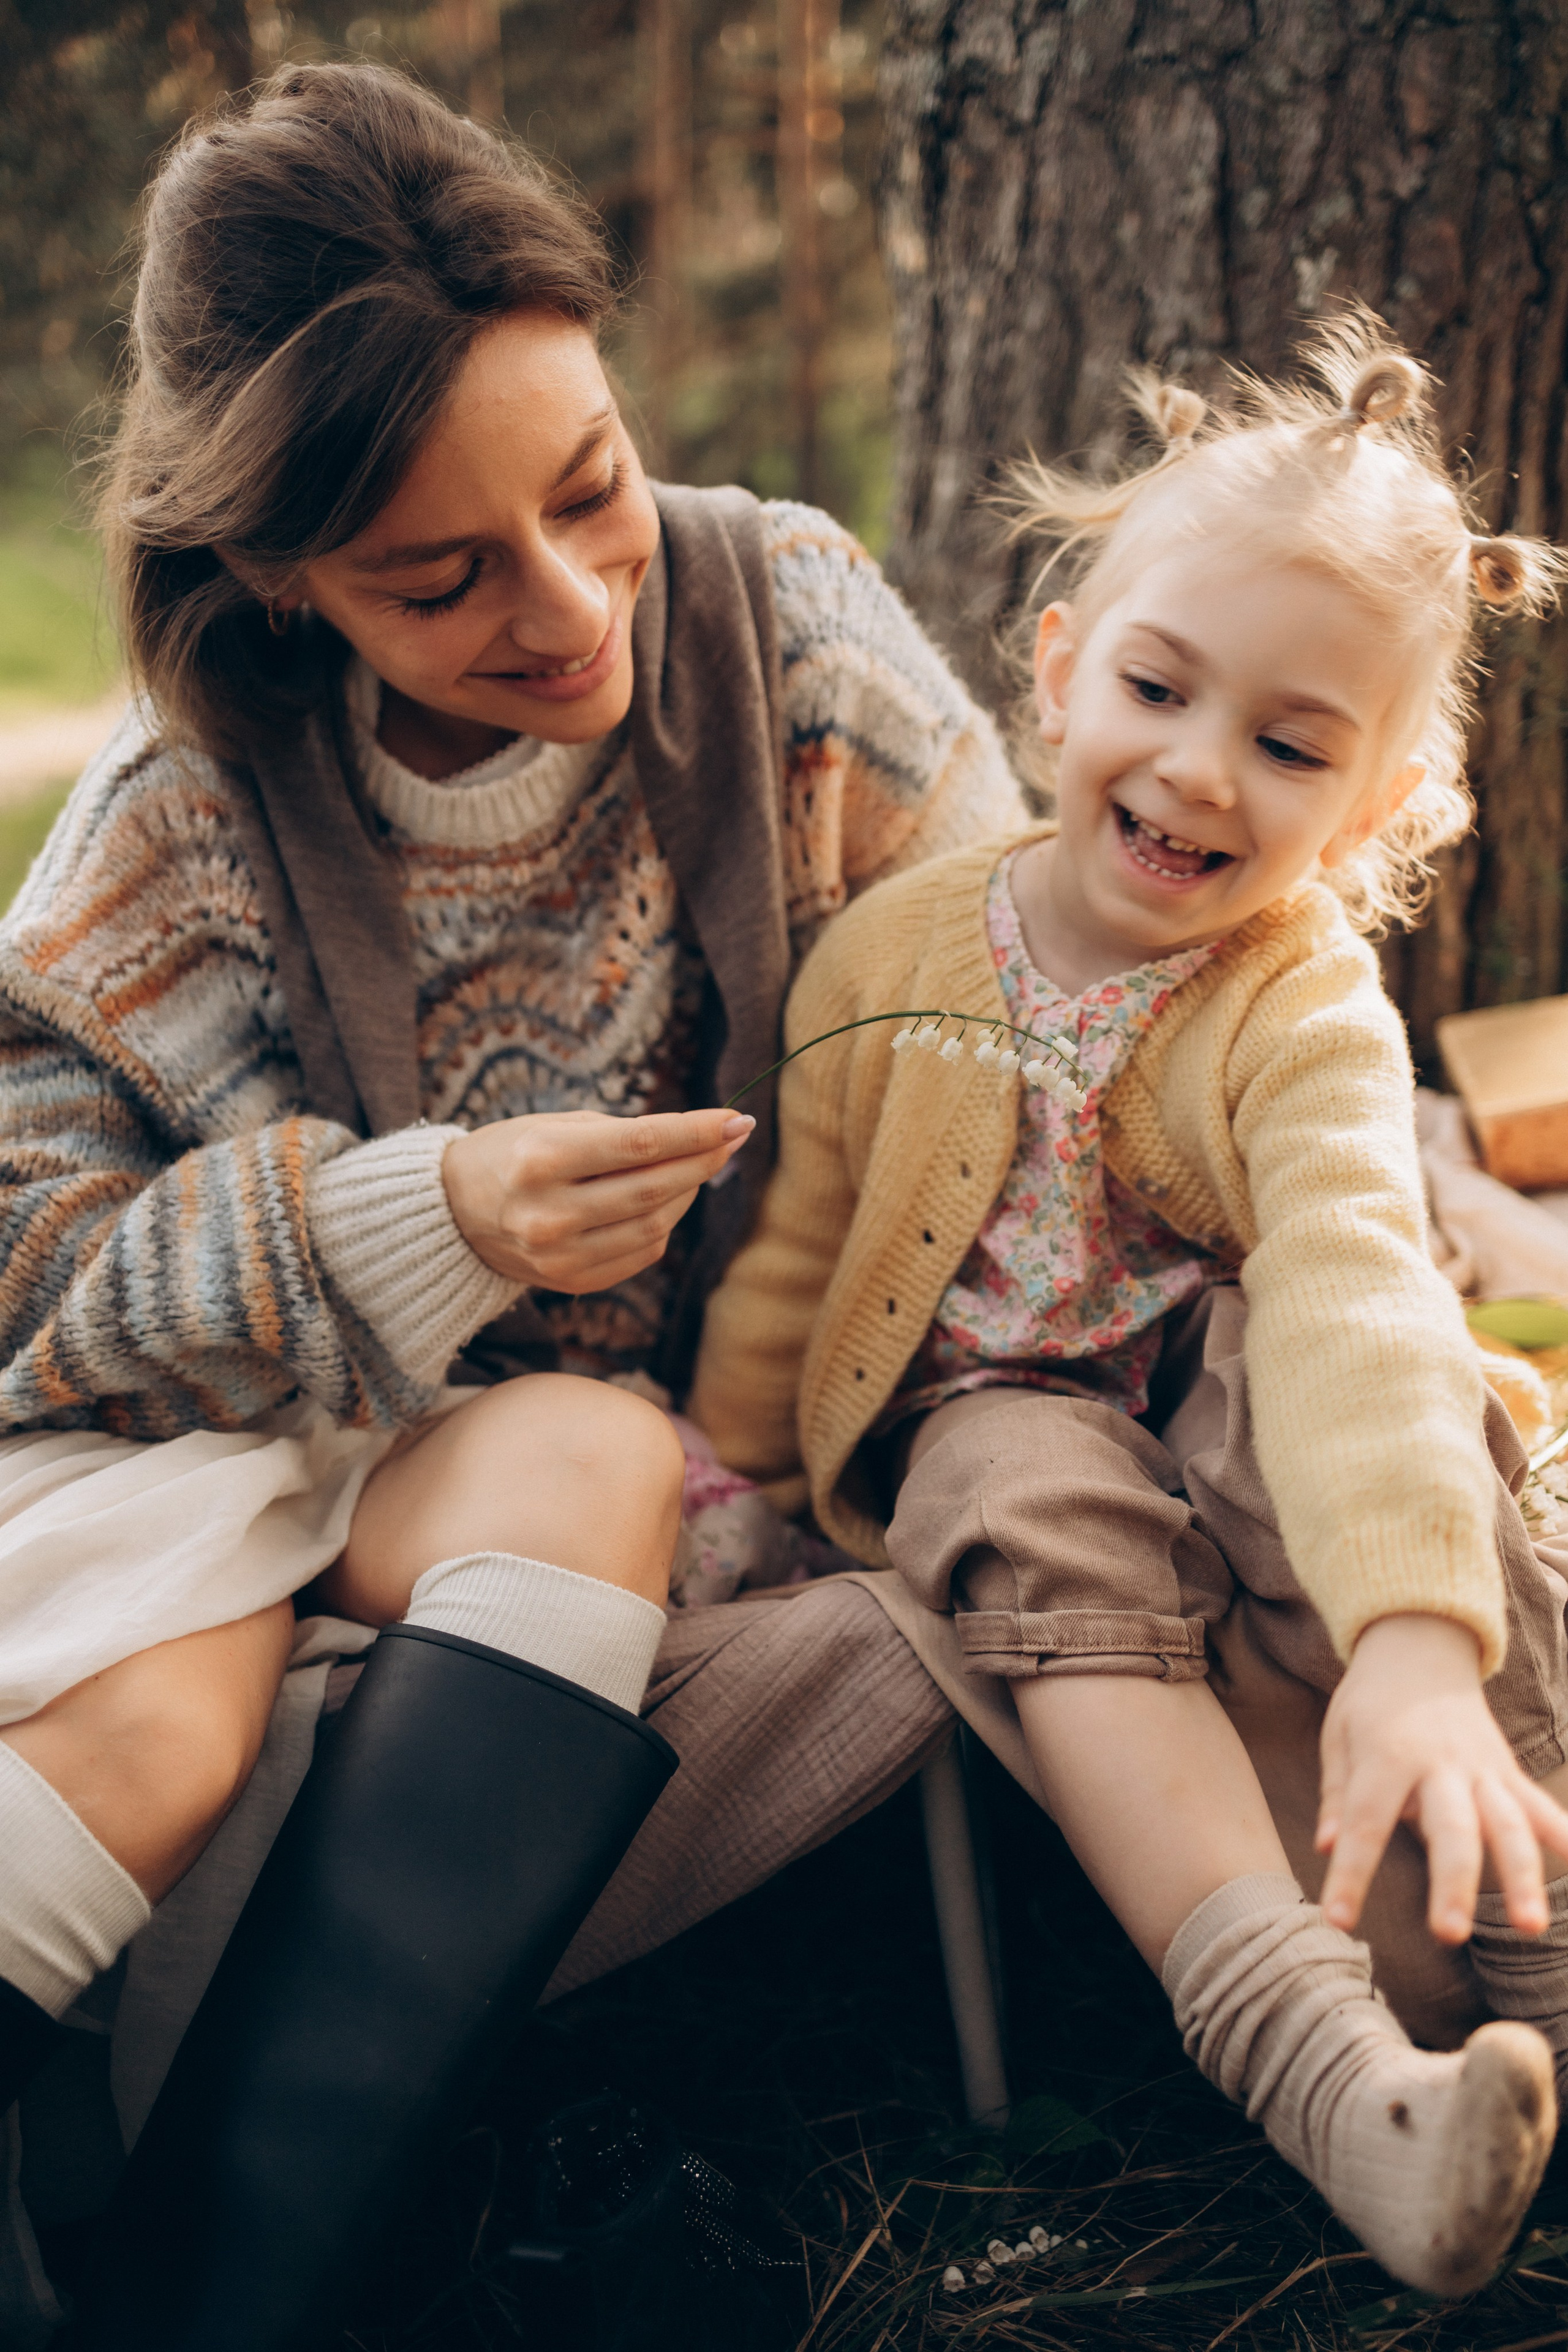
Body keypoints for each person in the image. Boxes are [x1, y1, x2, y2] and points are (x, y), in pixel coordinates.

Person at [0, 59, 1023, 2346]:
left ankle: (199, 2293)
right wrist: (415, 1215)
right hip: (247, 1488)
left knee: (579, 1448)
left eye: (591, 490)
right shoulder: (174, 836)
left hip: (599, 1486)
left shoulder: (796, 642)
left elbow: (1037, 1024)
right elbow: (27, 1288)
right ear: (274, 574)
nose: (568, 611)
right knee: (430, 1541)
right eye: (437, 577)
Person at [693, 315, 1568, 2297]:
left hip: (1244, 1390)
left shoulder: (1298, 994)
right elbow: (804, 1244)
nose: (1198, 771)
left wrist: (1414, 1640)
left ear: (1377, 802)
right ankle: (1335, 2081)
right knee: (1018, 1480)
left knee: (1380, 1400)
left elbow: (1348, 1276)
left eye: (1289, 744)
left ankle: (1542, 1966)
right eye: (1162, 691)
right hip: (1002, 1414)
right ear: (1066, 661)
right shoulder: (892, 953)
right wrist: (730, 1474)